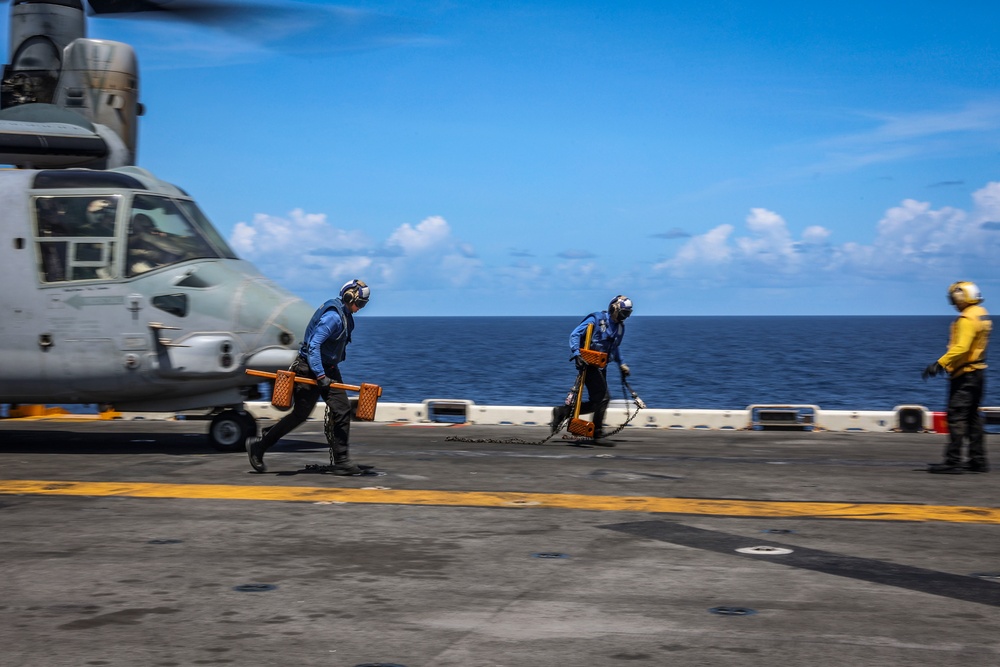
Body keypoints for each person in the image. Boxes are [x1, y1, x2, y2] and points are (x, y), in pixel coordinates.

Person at [246, 279, 372, 475]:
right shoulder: (333, 317)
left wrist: (325, 372)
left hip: (327, 368)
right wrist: (320, 375)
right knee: (301, 414)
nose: (360, 308)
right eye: (360, 303)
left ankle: (341, 460)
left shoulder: (345, 314)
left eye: (363, 305)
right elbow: (313, 346)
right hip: (310, 368)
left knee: (341, 408)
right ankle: (260, 446)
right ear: (350, 297)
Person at [922, 281, 992, 474]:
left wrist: (940, 364)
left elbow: (962, 347)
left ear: (961, 297)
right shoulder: (981, 314)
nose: (952, 302)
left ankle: (953, 462)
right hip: (978, 373)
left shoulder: (966, 319)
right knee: (973, 418)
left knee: (957, 417)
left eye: (953, 298)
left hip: (965, 375)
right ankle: (978, 460)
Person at [550, 295, 633, 446]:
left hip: (602, 366)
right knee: (603, 398)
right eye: (623, 313)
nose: (624, 317)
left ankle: (562, 412)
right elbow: (575, 334)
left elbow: (614, 347)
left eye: (627, 314)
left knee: (597, 402)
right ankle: (597, 434)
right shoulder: (596, 319)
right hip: (587, 363)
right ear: (614, 309)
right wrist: (576, 354)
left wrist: (621, 364)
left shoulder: (620, 328)